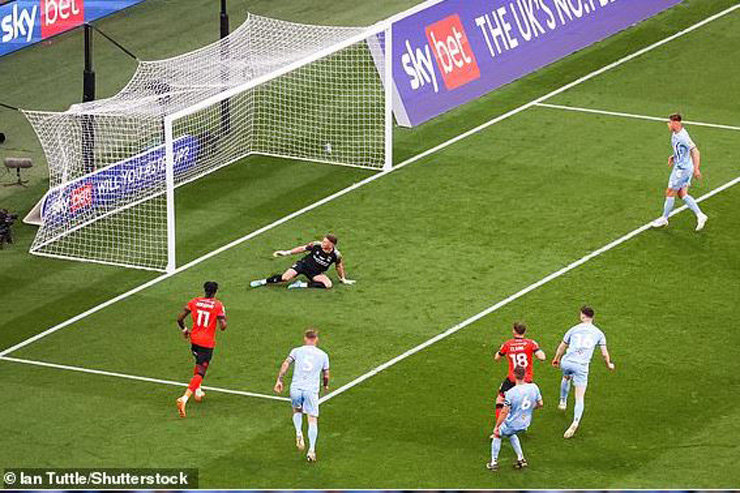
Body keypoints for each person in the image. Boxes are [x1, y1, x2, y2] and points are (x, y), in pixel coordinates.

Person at [551, 306, 615, 438]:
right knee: (579, 398)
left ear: (582, 316)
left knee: (566, 376)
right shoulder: (599, 333)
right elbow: (604, 353)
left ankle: (563, 401)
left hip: (567, 361)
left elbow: (562, 346)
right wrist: (609, 364)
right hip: (581, 367)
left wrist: (556, 359)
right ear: (593, 317)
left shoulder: (574, 329)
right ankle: (575, 422)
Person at [274, 328, 330, 462]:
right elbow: (326, 374)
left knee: (297, 410)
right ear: (316, 339)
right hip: (311, 391)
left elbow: (286, 363)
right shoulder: (323, 355)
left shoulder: (296, 351)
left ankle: (299, 432)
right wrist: (325, 385)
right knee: (312, 419)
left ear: (305, 338)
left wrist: (279, 379)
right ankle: (311, 451)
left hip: (296, 388)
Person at [175, 281, 227, 418]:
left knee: (198, 363)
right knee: (201, 372)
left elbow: (179, 318)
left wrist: (185, 330)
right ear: (215, 292)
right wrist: (223, 317)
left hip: (194, 340)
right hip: (206, 343)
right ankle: (184, 398)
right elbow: (223, 326)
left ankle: (197, 390)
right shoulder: (218, 305)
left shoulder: (195, 301)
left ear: (204, 290)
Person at [652, 113, 708, 231]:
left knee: (669, 192)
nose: (668, 124)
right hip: (682, 166)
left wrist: (696, 169)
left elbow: (695, 152)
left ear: (676, 123)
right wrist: (674, 156)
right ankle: (700, 215)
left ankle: (664, 218)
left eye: (670, 122)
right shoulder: (676, 133)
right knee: (682, 193)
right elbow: (682, 150)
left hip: (682, 169)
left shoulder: (683, 137)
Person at [487, 365, 543, 472]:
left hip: (513, 423)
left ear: (514, 375)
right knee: (511, 433)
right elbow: (540, 404)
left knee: (497, 434)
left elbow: (504, 411)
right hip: (526, 423)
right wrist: (528, 410)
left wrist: (497, 426)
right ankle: (521, 459)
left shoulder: (511, 393)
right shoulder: (534, 387)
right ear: (525, 375)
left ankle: (493, 463)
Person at [250, 234, 355, 290]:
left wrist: (343, 279)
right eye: (323, 241)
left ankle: (300, 284)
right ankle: (263, 281)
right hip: (303, 265)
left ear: (331, 245)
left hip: (316, 273)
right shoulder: (316, 245)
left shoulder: (336, 255)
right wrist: (287, 252)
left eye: (325, 242)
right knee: (285, 278)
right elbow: (303, 248)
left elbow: (338, 266)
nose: (322, 243)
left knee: (328, 285)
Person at [494, 322, 545, 421]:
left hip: (512, 379)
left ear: (514, 331)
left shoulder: (507, 344)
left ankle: (500, 425)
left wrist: (501, 350)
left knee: (500, 399)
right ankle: (522, 417)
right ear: (524, 331)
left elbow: (497, 358)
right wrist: (536, 349)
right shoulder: (531, 343)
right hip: (527, 380)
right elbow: (542, 357)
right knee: (529, 401)